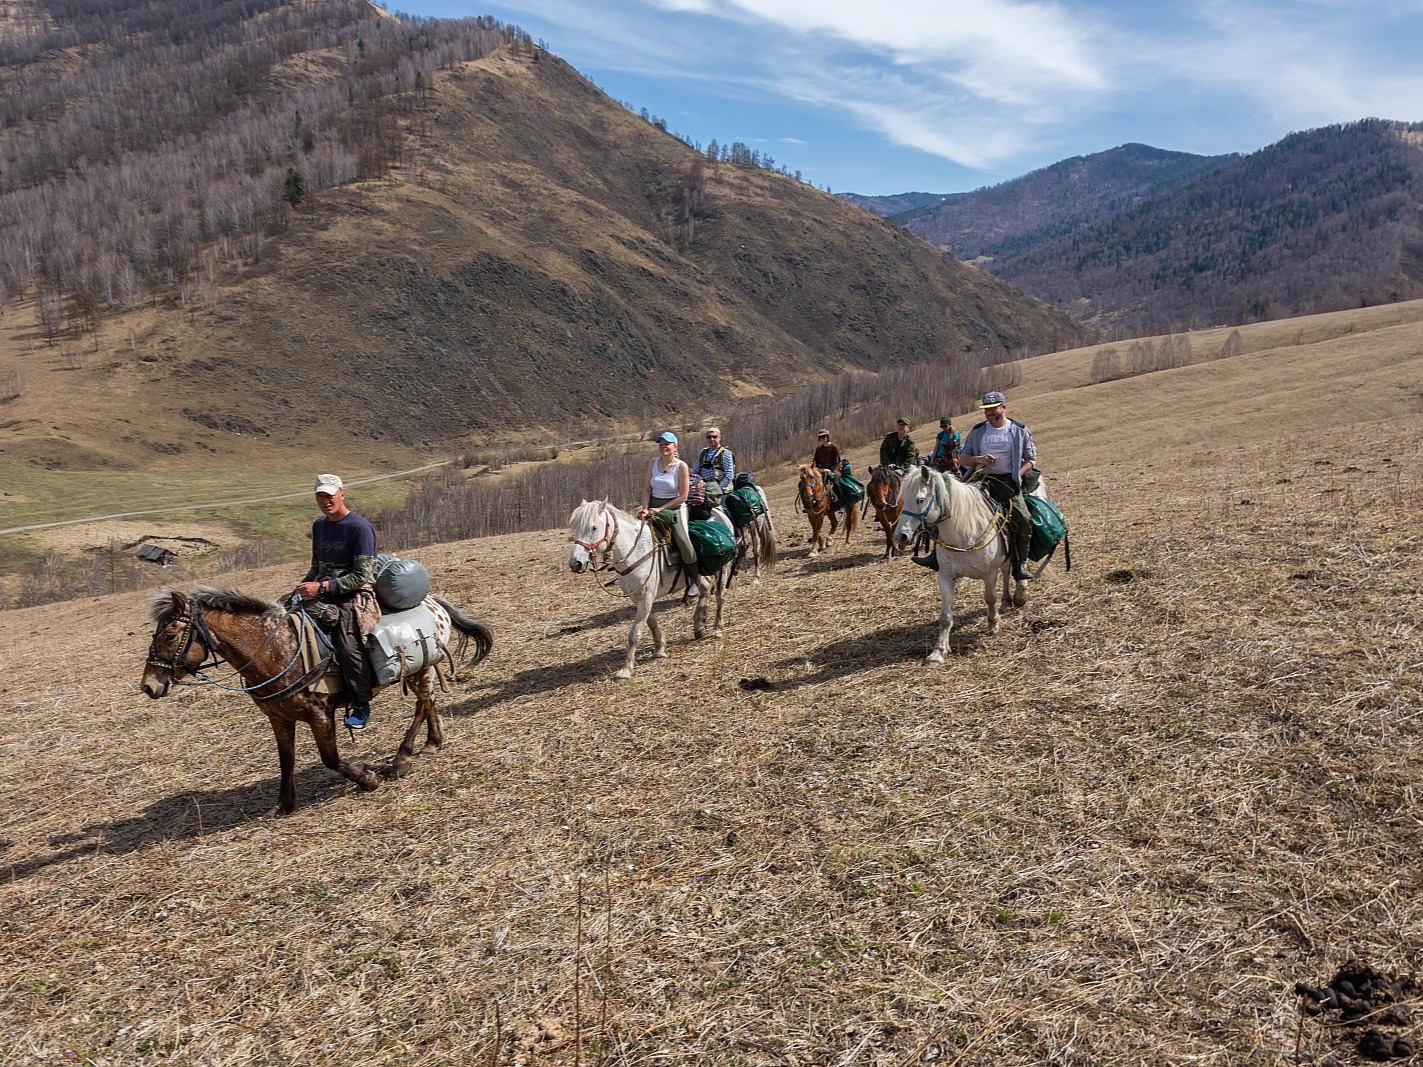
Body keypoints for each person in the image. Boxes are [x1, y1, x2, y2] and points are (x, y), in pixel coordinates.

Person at [292, 474, 380, 730]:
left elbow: (362, 575)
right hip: (322, 590)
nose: (325, 501)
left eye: (330, 495)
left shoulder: (360, 528)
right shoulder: (319, 526)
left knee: (348, 645)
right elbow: (315, 568)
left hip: (353, 595)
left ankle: (361, 703)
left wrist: (323, 587)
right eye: (320, 496)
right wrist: (299, 589)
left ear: (342, 494)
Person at [958, 391, 1037, 582]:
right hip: (980, 479)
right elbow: (963, 458)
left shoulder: (1018, 430)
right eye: (986, 410)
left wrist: (1016, 475)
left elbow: (1031, 459)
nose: (989, 413)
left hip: (1007, 481)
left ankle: (1020, 564)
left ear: (1003, 407)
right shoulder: (978, 431)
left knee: (1023, 518)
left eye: (993, 409)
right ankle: (938, 556)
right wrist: (980, 459)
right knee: (951, 505)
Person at [637, 431, 698, 598]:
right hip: (652, 505)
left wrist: (661, 509)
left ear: (675, 447)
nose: (663, 446)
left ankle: (694, 580)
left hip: (674, 507)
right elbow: (647, 489)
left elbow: (683, 496)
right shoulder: (652, 463)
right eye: (661, 444)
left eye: (667, 444)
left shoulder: (681, 466)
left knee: (683, 541)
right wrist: (644, 508)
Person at [694, 426, 735, 507]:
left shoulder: (726, 453)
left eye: (714, 437)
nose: (711, 439)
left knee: (722, 511)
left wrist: (717, 490)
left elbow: (729, 475)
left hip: (722, 490)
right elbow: (695, 472)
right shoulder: (702, 453)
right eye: (709, 437)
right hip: (704, 489)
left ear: (720, 437)